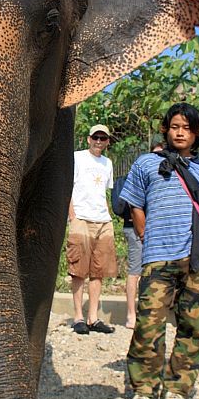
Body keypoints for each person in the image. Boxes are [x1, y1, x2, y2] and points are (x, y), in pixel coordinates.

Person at [119, 103, 199, 399]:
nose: (180, 132)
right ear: (166, 129)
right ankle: (144, 390)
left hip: (197, 259)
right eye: (175, 126)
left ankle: (177, 388)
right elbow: (134, 202)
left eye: (187, 128)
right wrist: (145, 235)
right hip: (158, 256)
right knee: (148, 325)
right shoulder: (146, 164)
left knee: (193, 328)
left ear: (196, 134)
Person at [66, 123, 117, 335]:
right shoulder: (77, 157)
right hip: (81, 218)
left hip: (103, 220)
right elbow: (67, 187)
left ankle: (93, 317)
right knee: (78, 270)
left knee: (99, 271)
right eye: (95, 137)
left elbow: (104, 193)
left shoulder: (108, 163)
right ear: (88, 139)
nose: (98, 141)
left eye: (102, 138)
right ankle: (78, 316)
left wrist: (109, 217)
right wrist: (72, 216)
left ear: (107, 142)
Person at [112, 140, 164, 330]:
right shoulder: (142, 176)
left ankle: (149, 311)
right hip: (135, 229)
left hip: (157, 229)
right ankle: (131, 314)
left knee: (156, 272)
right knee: (135, 271)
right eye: (156, 154)